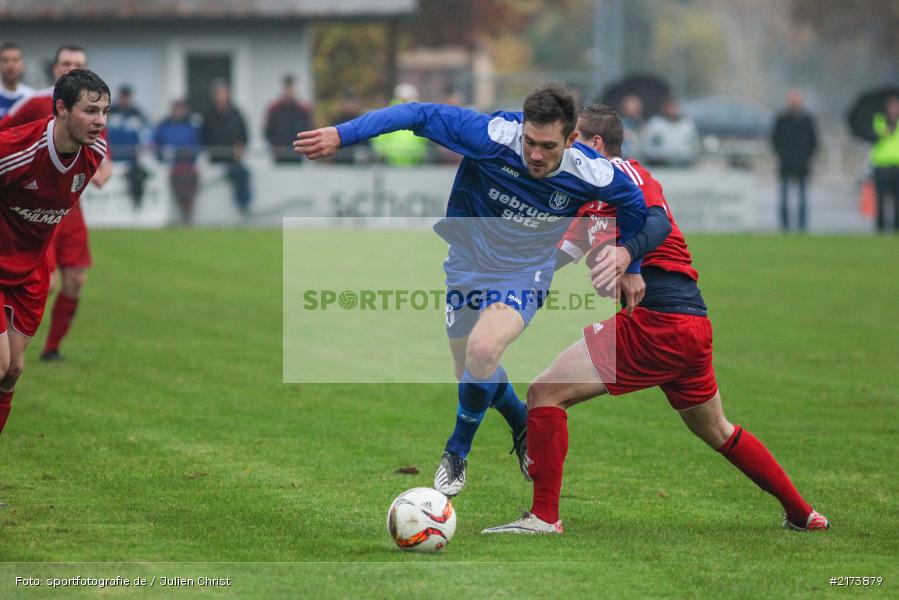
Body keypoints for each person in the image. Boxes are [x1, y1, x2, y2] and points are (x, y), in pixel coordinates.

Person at [483, 104, 830, 534]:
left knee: (544, 393)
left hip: (658, 321)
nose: (566, 150)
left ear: (595, 145)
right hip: (689, 326)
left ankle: (543, 518)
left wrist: (628, 257)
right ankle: (803, 514)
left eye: (573, 141)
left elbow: (657, 220)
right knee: (718, 430)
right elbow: (553, 259)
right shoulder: (591, 199)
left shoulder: (626, 173)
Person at [294, 84, 648, 497]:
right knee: (469, 370)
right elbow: (417, 113)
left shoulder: (593, 172)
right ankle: (520, 421)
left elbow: (636, 206)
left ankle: (456, 450)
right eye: (529, 142)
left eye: (547, 146)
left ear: (571, 140)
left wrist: (631, 262)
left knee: (483, 351)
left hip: (524, 270)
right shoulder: (493, 135)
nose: (534, 154)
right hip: (466, 262)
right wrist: (343, 134)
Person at [0, 69, 110, 437]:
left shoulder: (94, 152)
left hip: (29, 272)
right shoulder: (16, 152)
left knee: (12, 372)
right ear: (60, 108)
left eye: (105, 112)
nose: (100, 122)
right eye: (91, 111)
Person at [201, 79, 251, 216]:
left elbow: (244, 137)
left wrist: (239, 151)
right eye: (218, 93)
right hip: (215, 159)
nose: (221, 96)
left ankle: (244, 206)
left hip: (233, 160)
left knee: (242, 173)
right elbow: (203, 137)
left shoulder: (236, 114)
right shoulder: (208, 115)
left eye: (223, 92)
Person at [771, 90, 818, 232]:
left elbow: (814, 142)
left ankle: (802, 226)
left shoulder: (807, 120)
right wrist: (782, 155)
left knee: (803, 198)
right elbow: (775, 140)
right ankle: (784, 226)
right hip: (786, 163)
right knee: (784, 198)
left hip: (802, 163)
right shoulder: (782, 119)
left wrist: (806, 157)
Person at [154, 98, 201, 225]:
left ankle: (187, 212)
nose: (179, 111)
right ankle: (185, 212)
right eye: (177, 108)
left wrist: (188, 154)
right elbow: (155, 145)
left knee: (188, 180)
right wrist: (163, 157)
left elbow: (196, 147)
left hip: (187, 165)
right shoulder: (163, 126)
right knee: (181, 179)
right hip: (170, 165)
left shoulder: (191, 126)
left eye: (182, 108)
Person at [107, 84, 150, 210]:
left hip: (131, 157)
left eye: (127, 96)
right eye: (123, 96)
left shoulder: (136, 113)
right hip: (111, 155)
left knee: (140, 173)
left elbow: (146, 134)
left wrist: (141, 148)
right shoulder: (109, 112)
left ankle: (137, 202)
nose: (125, 99)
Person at [369, 83, 430, 166]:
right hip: (404, 162)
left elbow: (378, 138)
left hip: (401, 161)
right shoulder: (422, 116)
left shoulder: (386, 114)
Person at [263, 74, 312, 164]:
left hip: (297, 154)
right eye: (287, 87)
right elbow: (267, 131)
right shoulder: (274, 108)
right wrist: (275, 147)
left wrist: (303, 147)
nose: (289, 90)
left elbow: (309, 129)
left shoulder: (302, 109)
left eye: (291, 87)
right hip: (279, 155)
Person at [640, 98, 700, 167]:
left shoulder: (687, 124)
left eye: (676, 107)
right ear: (664, 108)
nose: (673, 110)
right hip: (660, 165)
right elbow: (646, 144)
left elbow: (695, 144)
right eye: (671, 107)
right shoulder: (655, 124)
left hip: (684, 164)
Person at [871, 95, 899, 233]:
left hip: (897, 165)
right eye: (892, 107)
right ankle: (881, 229)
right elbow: (876, 135)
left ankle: (896, 229)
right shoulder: (879, 121)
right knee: (881, 200)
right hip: (882, 165)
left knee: (897, 201)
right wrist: (889, 127)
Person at [0, 43, 33, 118]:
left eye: (15, 60)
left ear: (23, 65)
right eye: (5, 60)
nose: (10, 65)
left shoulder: (30, 97)